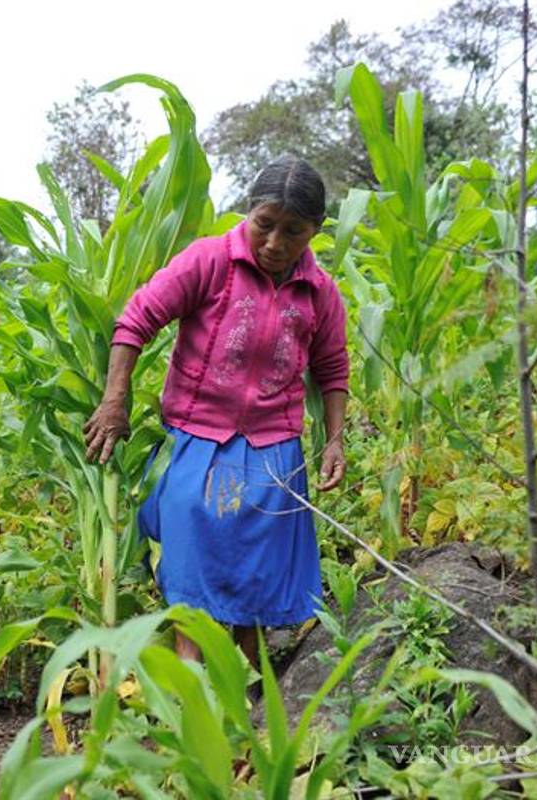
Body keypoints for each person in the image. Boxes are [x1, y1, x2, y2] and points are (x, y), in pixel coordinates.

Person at [82, 154, 348, 664]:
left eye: (292, 232)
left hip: (274, 451)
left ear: (314, 231)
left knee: (255, 581)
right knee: (193, 569)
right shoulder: (208, 261)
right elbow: (136, 321)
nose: (274, 243)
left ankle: (244, 694)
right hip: (195, 439)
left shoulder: (320, 293)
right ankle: (191, 689)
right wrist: (115, 400)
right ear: (248, 213)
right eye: (264, 225)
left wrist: (334, 440)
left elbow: (332, 369)